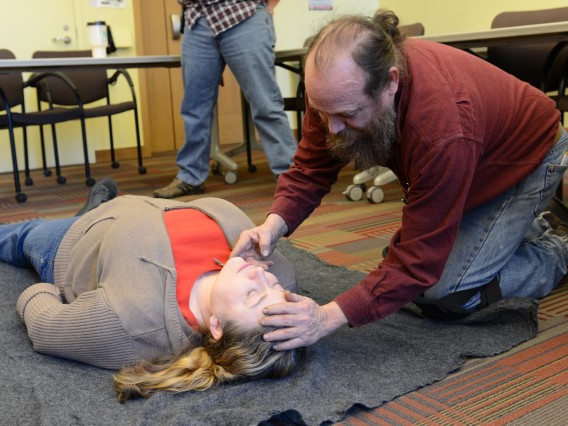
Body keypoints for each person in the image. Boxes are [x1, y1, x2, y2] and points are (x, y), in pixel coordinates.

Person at [231, 10, 568, 351]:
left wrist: (326, 318)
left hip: (526, 159)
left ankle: (560, 250)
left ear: (390, 83)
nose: (330, 127)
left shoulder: (442, 129)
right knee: (398, 275)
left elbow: (417, 262)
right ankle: (523, 230)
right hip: (469, 161)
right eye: (321, 112)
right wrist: (273, 225)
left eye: (347, 114)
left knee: (446, 295)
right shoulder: (334, 90)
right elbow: (310, 169)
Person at [0, 179, 305, 401]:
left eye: (252, 295)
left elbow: (45, 325)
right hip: (132, 207)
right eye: (270, 285)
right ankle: (96, 205)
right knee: (96, 211)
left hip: (72, 242)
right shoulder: (273, 269)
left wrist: (48, 286)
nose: (262, 277)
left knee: (21, 237)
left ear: (216, 327)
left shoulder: (130, 323)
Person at [153, 0, 297, 199]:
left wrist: (269, 7)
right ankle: (191, 176)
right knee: (194, 108)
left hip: (242, 12)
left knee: (265, 103)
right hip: (197, 20)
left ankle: (290, 176)